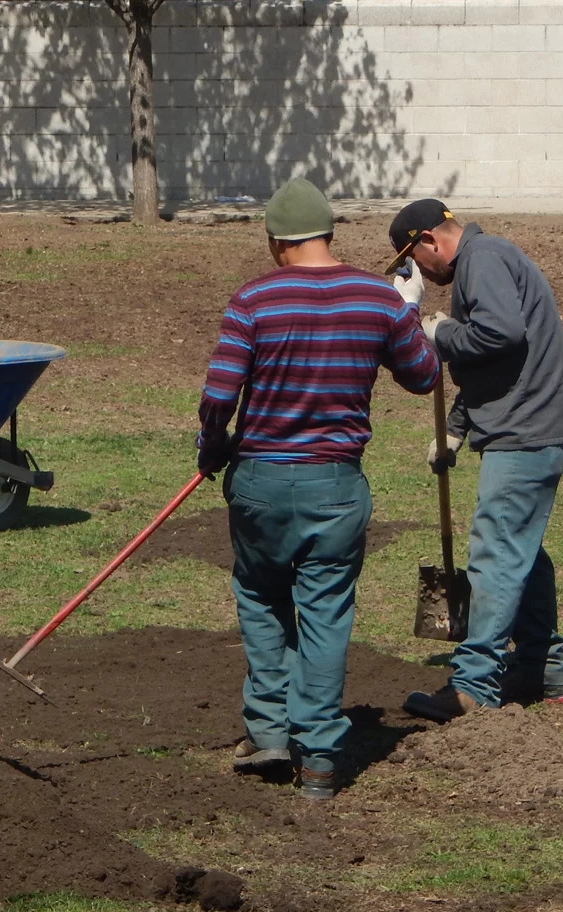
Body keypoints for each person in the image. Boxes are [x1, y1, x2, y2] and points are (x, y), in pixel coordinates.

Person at [197, 177, 439, 799]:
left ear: (278, 243)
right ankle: (322, 761)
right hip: (336, 487)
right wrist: (407, 309)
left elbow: (220, 395)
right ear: (328, 235)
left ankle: (271, 734)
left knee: (260, 599)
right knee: (327, 614)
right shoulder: (376, 300)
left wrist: (213, 444)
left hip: (260, 483)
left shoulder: (253, 300)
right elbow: (423, 376)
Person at [386, 199, 563, 722]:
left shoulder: (484, 259)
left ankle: (473, 684)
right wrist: (455, 430)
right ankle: (545, 667)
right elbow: (497, 362)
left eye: (414, 257)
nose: (422, 274)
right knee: (521, 552)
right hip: (528, 425)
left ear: (430, 240)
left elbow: (500, 334)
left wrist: (438, 333)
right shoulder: (484, 261)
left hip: (526, 432)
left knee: (496, 554)